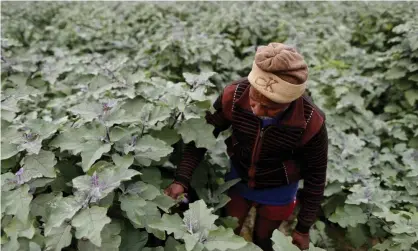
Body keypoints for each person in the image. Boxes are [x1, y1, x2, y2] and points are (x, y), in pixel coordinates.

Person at [165, 42, 328, 251]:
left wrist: (303, 228)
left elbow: (316, 175)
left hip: (279, 189)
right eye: (253, 100)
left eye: (270, 107)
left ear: (291, 101)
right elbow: (202, 138)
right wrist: (182, 179)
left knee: (264, 238)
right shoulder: (233, 95)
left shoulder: (311, 121)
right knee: (229, 231)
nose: (258, 110)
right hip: (237, 179)